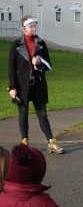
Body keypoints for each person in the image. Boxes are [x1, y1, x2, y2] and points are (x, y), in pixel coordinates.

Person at [8, 15, 64, 154]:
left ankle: (51, 142)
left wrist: (39, 62)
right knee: (23, 114)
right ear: (23, 28)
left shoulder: (41, 43)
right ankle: (25, 142)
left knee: (42, 115)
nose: (33, 28)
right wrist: (12, 87)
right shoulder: (16, 45)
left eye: (34, 25)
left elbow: (49, 66)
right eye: (30, 26)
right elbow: (11, 68)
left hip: (38, 85)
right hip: (22, 86)